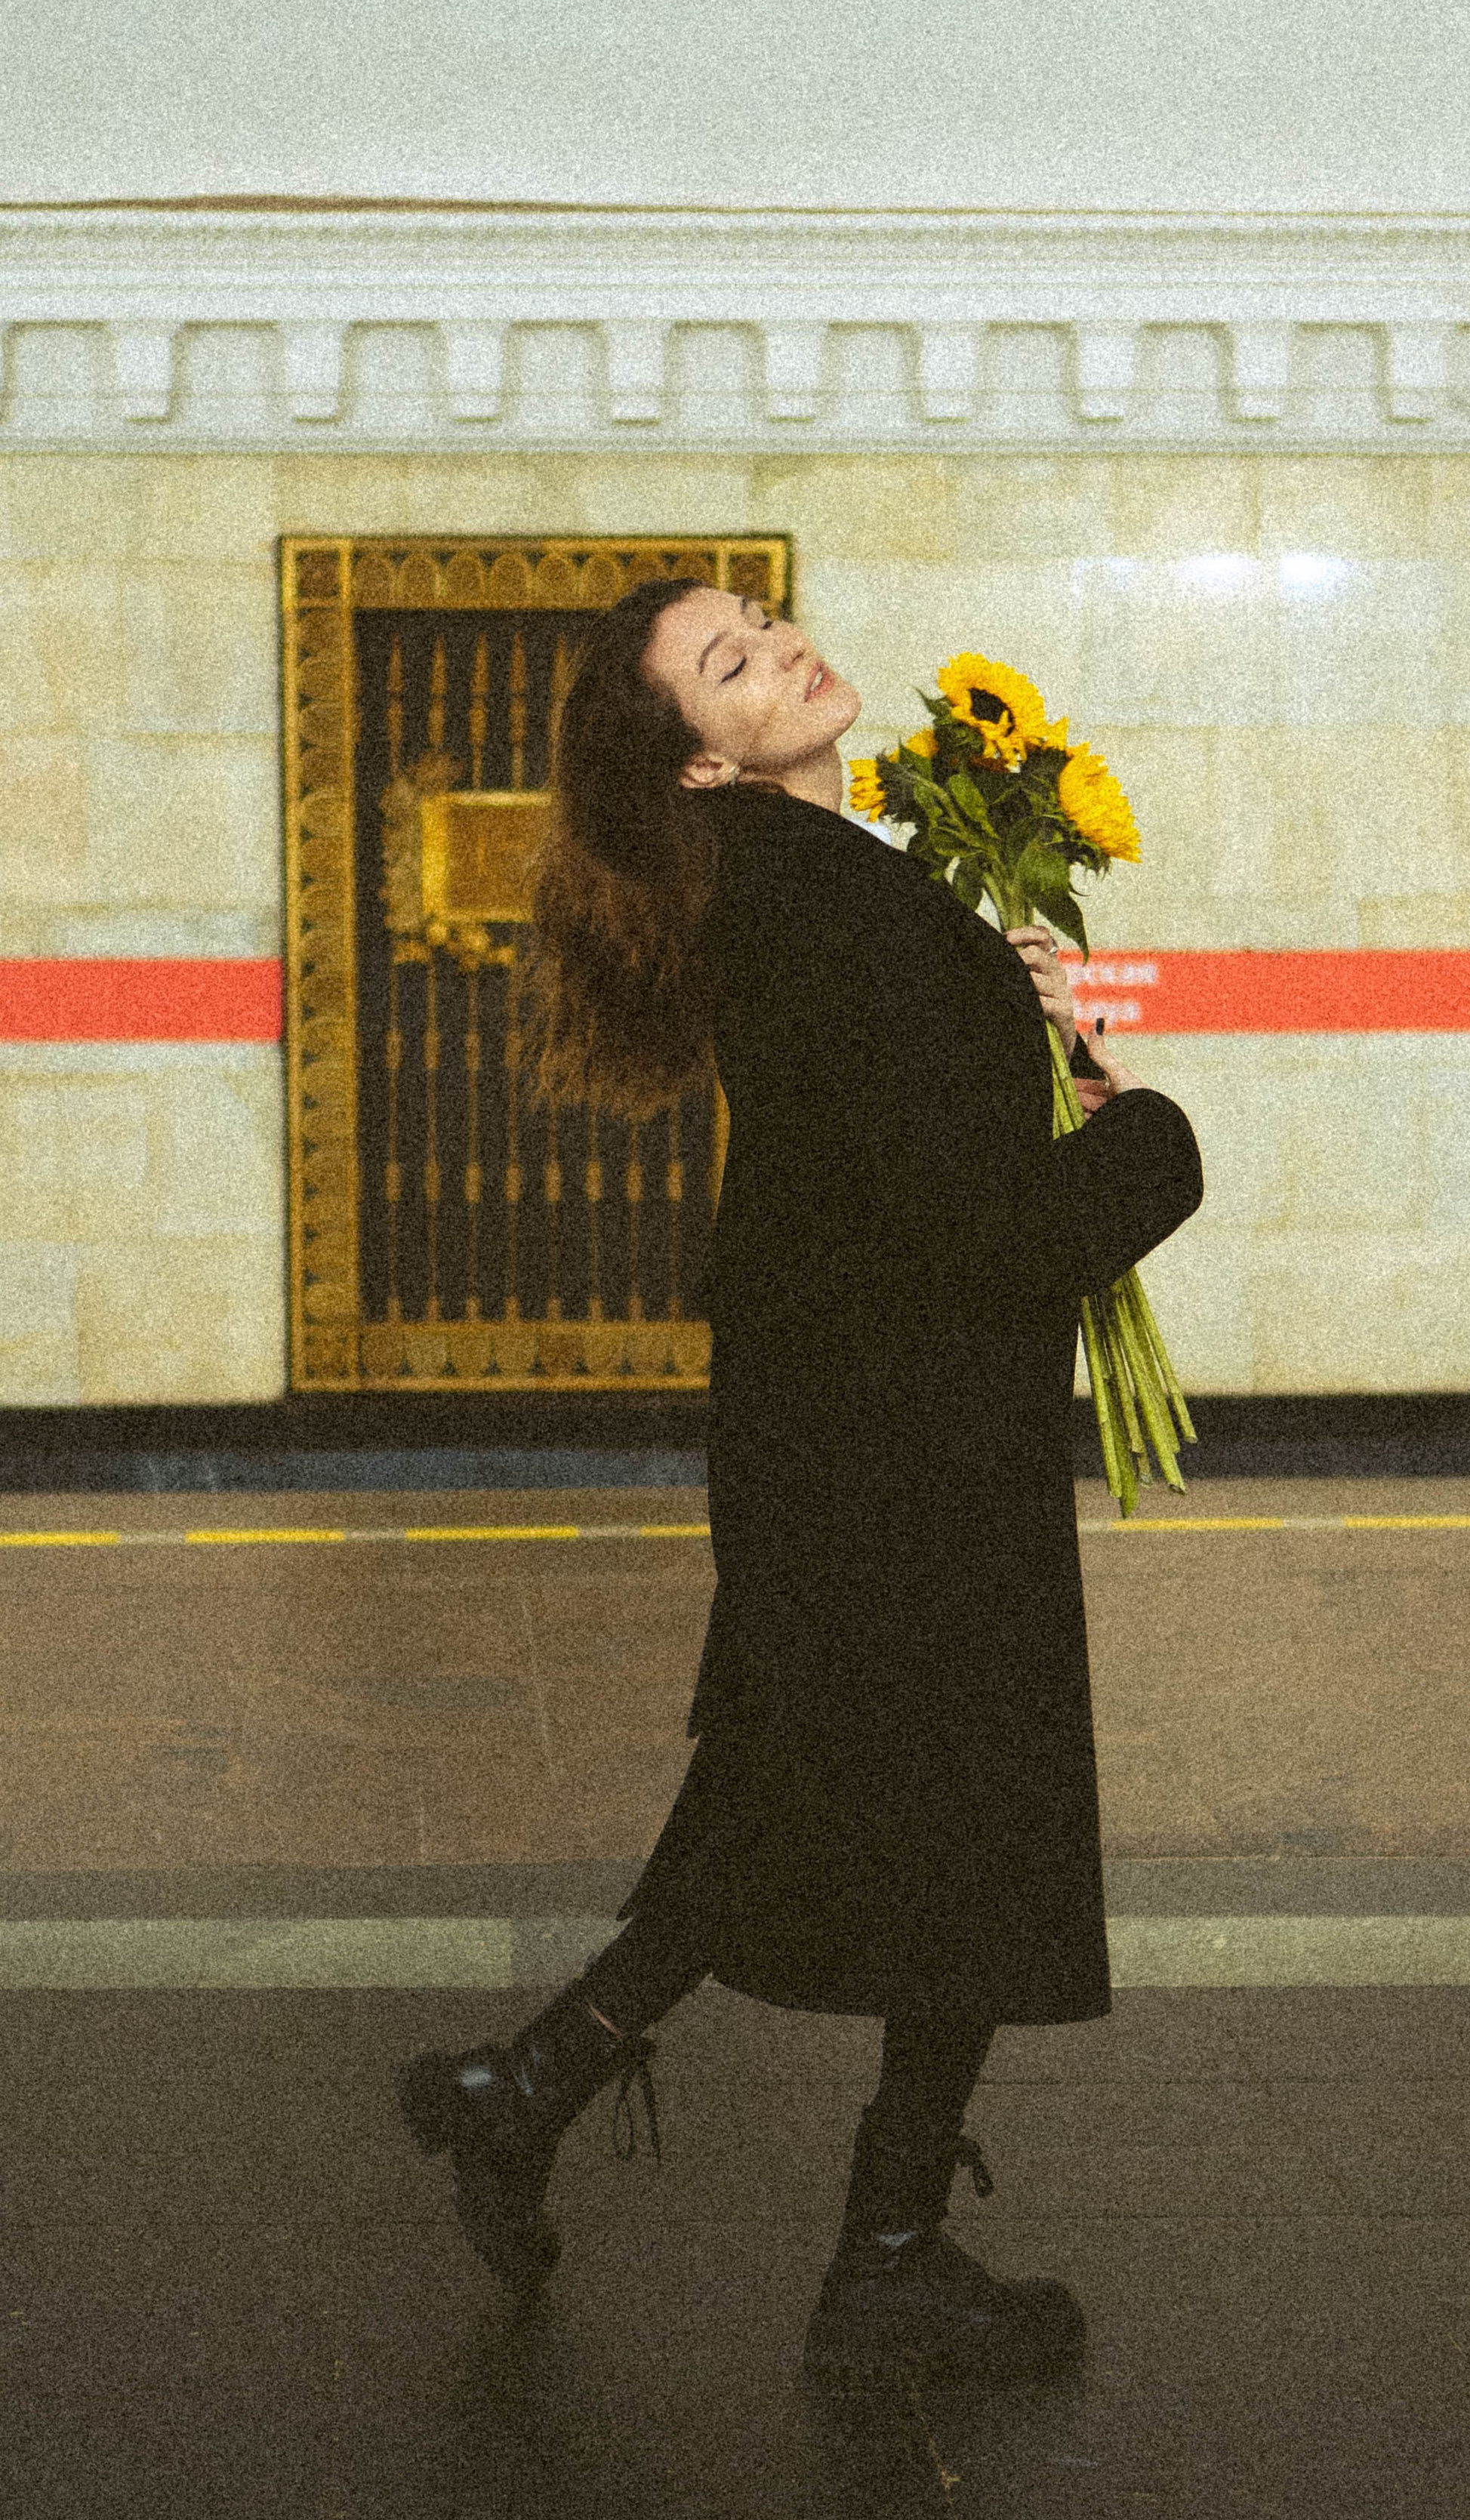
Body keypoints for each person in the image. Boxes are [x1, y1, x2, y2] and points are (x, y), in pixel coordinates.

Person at [396, 576, 1203, 2386]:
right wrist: (1145, 1137)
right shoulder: (824, 901)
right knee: (947, 1812)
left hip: (845, 1427)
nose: (781, 655)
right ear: (693, 763)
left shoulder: (811, 889)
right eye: (730, 665)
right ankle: (880, 2250)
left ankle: (538, 2095)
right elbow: (988, 1229)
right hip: (899, 1443)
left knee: (799, 1787)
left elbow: (898, 1151)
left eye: (760, 624)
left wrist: (1007, 1037)